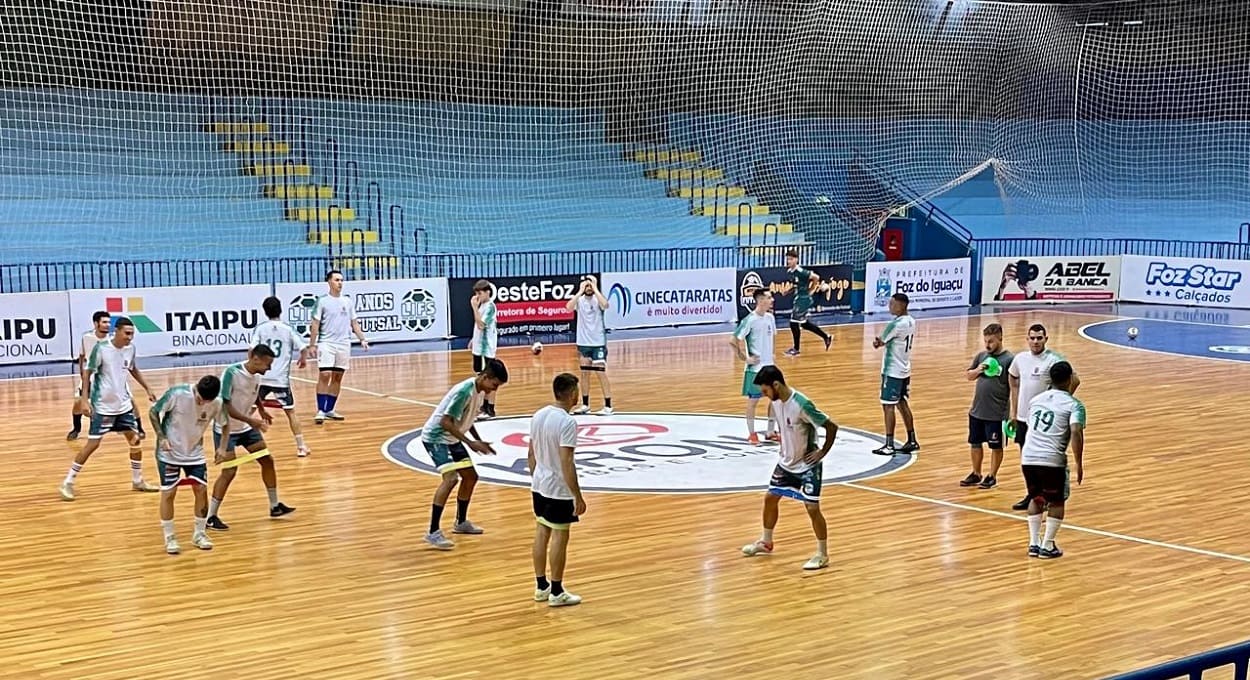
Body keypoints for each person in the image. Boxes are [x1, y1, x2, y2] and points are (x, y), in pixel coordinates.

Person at [740, 365, 839, 570]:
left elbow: (831, 426)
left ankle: (822, 554)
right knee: (770, 498)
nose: (765, 395)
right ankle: (766, 542)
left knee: (812, 508)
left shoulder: (802, 404)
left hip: (807, 465)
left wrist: (822, 452)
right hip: (786, 463)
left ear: (776, 385)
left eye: (766, 391)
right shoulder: (776, 402)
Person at [59, 317, 159, 500]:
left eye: (132, 334)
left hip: (123, 406)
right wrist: (84, 399)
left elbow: (133, 368)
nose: (130, 338)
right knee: (92, 445)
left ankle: (137, 481)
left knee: (135, 441)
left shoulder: (130, 349)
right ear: (117, 331)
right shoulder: (102, 349)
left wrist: (148, 388)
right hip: (103, 406)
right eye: (127, 333)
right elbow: (88, 372)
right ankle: (68, 482)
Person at [421, 357, 509, 549]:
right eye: (494, 384)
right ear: (485, 377)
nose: (494, 389)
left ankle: (460, 523)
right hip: (436, 438)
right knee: (451, 478)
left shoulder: (479, 391)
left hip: (452, 438)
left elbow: (468, 419)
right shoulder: (465, 391)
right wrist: (470, 443)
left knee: (470, 477)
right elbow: (446, 422)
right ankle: (432, 532)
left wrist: (476, 440)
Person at [206, 344, 294, 531]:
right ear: (255, 359)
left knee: (267, 461)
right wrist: (251, 420)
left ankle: (274, 506)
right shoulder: (231, 373)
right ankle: (210, 516)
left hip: (246, 427)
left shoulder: (256, 376)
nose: (269, 368)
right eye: (267, 364)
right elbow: (226, 406)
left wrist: (261, 410)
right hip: (226, 430)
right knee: (229, 471)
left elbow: (253, 395)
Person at [149, 376, 227, 554]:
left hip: (195, 454)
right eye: (199, 398)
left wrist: (222, 447)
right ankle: (169, 537)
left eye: (206, 401)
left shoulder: (217, 403)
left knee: (201, 489)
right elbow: (153, 412)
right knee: (169, 493)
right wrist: (161, 437)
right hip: (169, 453)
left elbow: (225, 425)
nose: (202, 403)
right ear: (196, 388)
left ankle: (199, 534)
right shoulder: (177, 393)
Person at [528, 372, 587, 607]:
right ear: (572, 394)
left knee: (542, 532)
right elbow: (566, 462)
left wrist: (537, 478)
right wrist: (577, 495)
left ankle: (541, 586)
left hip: (539, 484)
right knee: (560, 538)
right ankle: (557, 591)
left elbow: (531, 454)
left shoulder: (539, 415)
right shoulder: (567, 422)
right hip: (558, 489)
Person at [1008, 323, 1080, 511]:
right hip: (1024, 418)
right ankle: (1033, 495)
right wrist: (1013, 412)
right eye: (1032, 338)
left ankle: (1047, 496)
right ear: (1027, 339)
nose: (1035, 341)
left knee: (1043, 457)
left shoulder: (1053, 360)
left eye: (1039, 338)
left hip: (1042, 421)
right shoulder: (1020, 359)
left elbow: (1075, 379)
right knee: (1027, 457)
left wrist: (1061, 401)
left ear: (1046, 339)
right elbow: (1013, 379)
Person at [1021, 361, 1086, 559]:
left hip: (1028, 456)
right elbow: (1075, 431)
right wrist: (1078, 462)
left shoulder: (1036, 400)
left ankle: (1034, 543)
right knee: (1057, 501)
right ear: (1069, 380)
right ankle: (1048, 545)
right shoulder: (1074, 405)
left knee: (1036, 498)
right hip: (1052, 459)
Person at [251, 296, 312, 456]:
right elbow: (303, 348)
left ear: (265, 311)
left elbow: (251, 350)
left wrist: (252, 367)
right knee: (290, 412)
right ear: (281, 310)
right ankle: (301, 447)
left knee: (248, 410)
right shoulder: (288, 329)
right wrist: (303, 360)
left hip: (262, 376)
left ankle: (231, 439)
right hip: (280, 379)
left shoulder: (260, 328)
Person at [308, 270, 369, 424]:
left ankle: (330, 410)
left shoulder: (347, 301)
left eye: (341, 280)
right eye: (336, 280)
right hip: (326, 343)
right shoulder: (322, 301)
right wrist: (312, 344)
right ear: (329, 282)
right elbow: (314, 324)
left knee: (337, 377)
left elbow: (354, 322)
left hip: (344, 343)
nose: (340, 283)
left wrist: (362, 339)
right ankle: (321, 410)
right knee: (325, 375)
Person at [961, 323, 1014, 489]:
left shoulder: (1009, 360)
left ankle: (992, 476)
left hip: (997, 413)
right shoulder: (982, 356)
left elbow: (1014, 386)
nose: (987, 345)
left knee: (996, 446)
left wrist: (1013, 413)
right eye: (985, 341)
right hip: (977, 410)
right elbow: (969, 376)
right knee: (975, 443)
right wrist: (978, 370)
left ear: (1000, 338)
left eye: (991, 341)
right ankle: (976, 473)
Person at [871, 293, 919, 456]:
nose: (889, 306)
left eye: (892, 304)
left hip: (892, 371)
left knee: (888, 406)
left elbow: (879, 342)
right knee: (902, 403)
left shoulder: (895, 324)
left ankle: (889, 444)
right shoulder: (911, 321)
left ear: (901, 305)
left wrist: (877, 342)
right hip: (905, 368)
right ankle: (912, 439)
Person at [730, 288, 777, 445]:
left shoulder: (770, 318)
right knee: (753, 402)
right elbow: (733, 340)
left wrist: (771, 354)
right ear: (761, 300)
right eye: (769, 298)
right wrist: (745, 358)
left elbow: (770, 339)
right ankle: (752, 433)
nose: (772, 300)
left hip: (770, 367)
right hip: (755, 370)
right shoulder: (750, 320)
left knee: (775, 400)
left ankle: (770, 432)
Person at [566, 276, 612, 415]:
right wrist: (579, 291)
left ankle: (608, 406)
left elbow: (606, 305)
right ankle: (585, 404)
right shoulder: (579, 300)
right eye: (587, 286)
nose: (589, 288)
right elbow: (568, 308)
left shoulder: (598, 299)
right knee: (584, 374)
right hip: (583, 343)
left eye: (591, 285)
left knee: (600, 373)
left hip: (597, 343)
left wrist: (595, 287)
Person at [67, 310, 111, 440]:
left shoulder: (112, 340)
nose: (108, 324)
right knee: (78, 403)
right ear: (96, 323)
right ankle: (76, 428)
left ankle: (137, 427)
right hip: (89, 376)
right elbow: (81, 356)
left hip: (106, 377)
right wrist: (82, 373)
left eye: (109, 322)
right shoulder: (87, 337)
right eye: (104, 322)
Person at [782, 249, 832, 357]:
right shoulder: (791, 272)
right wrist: (788, 291)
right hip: (799, 298)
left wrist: (812, 289)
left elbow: (816, 277)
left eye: (791, 259)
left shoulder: (801, 271)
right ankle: (826, 336)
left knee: (793, 322)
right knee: (804, 324)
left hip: (803, 299)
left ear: (796, 260)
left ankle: (796, 349)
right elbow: (796, 285)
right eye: (788, 259)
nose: (789, 261)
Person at [470, 279, 500, 419]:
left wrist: (474, 308)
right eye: (476, 293)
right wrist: (473, 339)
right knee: (480, 377)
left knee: (487, 379)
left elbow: (481, 324)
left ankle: (489, 408)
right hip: (478, 348)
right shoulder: (482, 305)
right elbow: (478, 327)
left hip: (485, 350)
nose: (477, 296)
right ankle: (484, 407)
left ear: (487, 292)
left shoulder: (490, 307)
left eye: (480, 293)